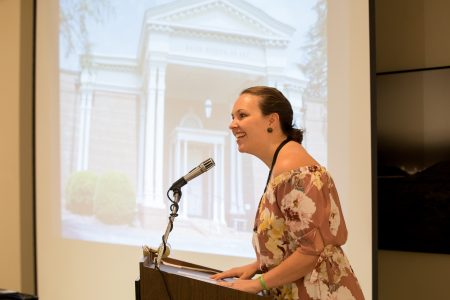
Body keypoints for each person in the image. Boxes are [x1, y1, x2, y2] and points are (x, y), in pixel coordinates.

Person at [211, 86, 365, 299]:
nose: (232, 124)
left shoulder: (292, 168)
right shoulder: (283, 163)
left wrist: (258, 284)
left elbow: (312, 250)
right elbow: (295, 240)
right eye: (232, 117)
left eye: (242, 115)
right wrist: (258, 265)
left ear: (271, 121)